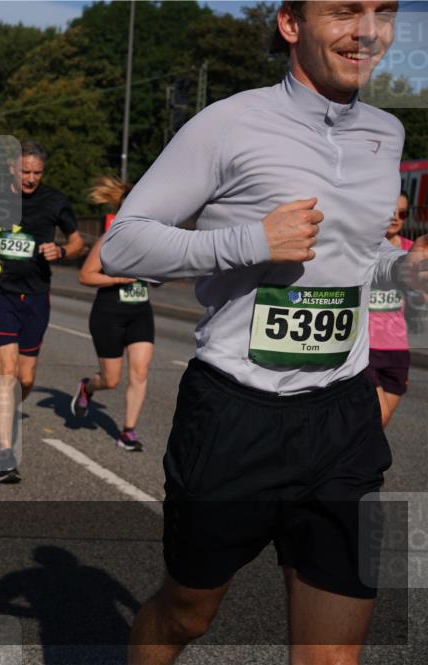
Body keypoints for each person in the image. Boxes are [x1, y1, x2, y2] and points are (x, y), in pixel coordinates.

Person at [99, 3, 428, 663]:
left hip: (341, 416)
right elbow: (122, 247)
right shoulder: (226, 124)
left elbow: (357, 258)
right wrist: (252, 240)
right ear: (289, 25)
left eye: (384, 12)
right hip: (233, 413)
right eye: (343, 12)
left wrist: (406, 270)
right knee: (188, 615)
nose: (368, 30)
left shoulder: (386, 133)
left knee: (332, 655)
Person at [0, 141, 85, 483]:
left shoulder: (55, 201)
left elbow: (79, 242)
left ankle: (7, 407)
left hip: (36, 296)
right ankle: (4, 453)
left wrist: (61, 251)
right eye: (25, 172)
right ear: (12, 169)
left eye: (37, 173)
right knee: (6, 370)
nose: (31, 178)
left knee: (26, 377)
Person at [71, 176, 154, 452]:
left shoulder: (153, 239)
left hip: (140, 312)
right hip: (109, 313)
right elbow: (86, 275)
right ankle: (87, 387)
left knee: (140, 372)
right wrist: (119, 280)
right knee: (111, 380)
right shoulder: (110, 238)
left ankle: (128, 431)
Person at [365, 193, 415, 427]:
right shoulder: (363, 250)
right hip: (366, 348)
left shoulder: (412, 250)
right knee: (377, 417)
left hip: (397, 349)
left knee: (378, 426)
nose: (395, 217)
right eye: (391, 211)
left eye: (402, 213)